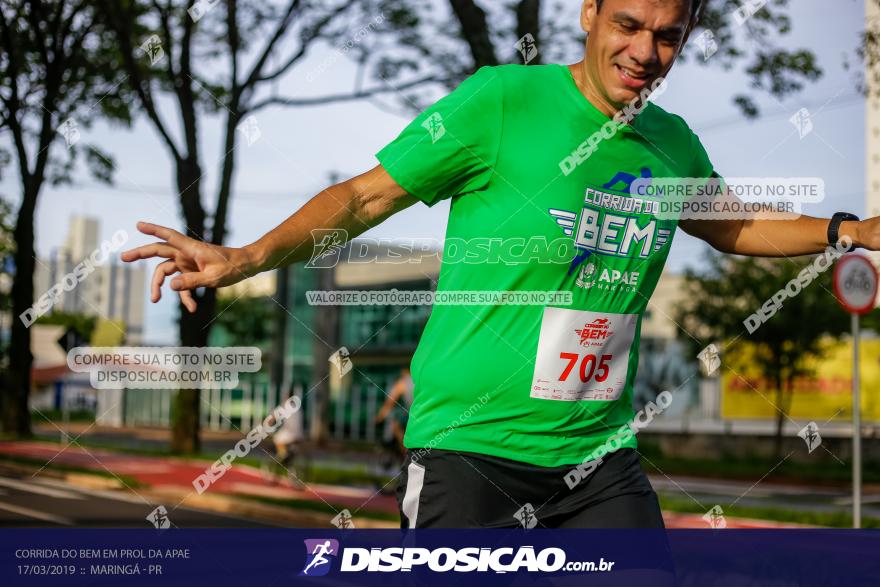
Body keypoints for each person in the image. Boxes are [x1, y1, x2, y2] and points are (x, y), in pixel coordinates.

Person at [121, 0, 880, 528]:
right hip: (469, 448)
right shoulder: (504, 101)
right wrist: (246, 256)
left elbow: (733, 222)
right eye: (628, 24)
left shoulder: (672, 143)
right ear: (589, 13)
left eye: (670, 35)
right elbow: (362, 199)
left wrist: (853, 227)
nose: (646, 52)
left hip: (597, 455)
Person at [375, 367, 415, 467]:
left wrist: (379, 417)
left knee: (395, 426)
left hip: (414, 416)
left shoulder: (402, 383)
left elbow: (389, 403)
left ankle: (406, 453)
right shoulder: (420, 380)